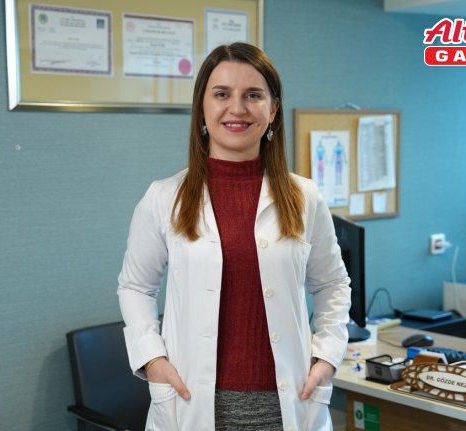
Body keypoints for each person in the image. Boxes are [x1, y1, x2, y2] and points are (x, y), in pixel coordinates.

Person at [117, 42, 351, 431]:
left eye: (253, 95)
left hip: (288, 403)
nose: (237, 108)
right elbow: (135, 287)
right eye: (222, 94)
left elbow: (333, 284)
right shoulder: (163, 197)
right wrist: (152, 360)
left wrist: (327, 355)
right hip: (191, 401)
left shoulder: (304, 197)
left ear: (273, 110)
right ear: (202, 108)